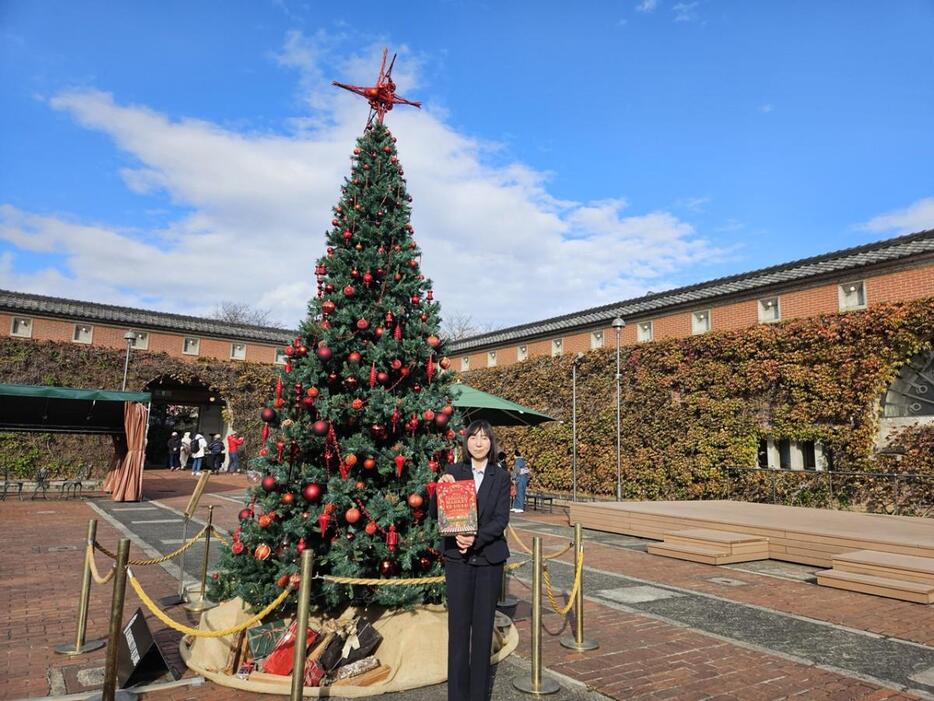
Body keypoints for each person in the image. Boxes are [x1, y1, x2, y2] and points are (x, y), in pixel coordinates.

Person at [434, 420, 510, 701]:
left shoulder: (500, 476)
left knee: (482, 633)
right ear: (466, 442)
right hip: (458, 561)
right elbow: (437, 513)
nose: (479, 442)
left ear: (491, 443)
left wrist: (474, 539)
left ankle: (479, 695)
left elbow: (502, 518)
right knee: (458, 633)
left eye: (485, 438)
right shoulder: (453, 472)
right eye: (474, 437)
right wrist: (439, 489)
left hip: (489, 561)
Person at [511, 448, 529, 513]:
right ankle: (516, 506)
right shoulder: (523, 461)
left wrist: (513, 478)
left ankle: (520, 507)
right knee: (519, 492)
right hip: (523, 478)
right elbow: (526, 471)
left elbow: (516, 471)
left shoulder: (518, 461)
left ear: (515, 455)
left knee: (519, 493)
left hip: (519, 478)